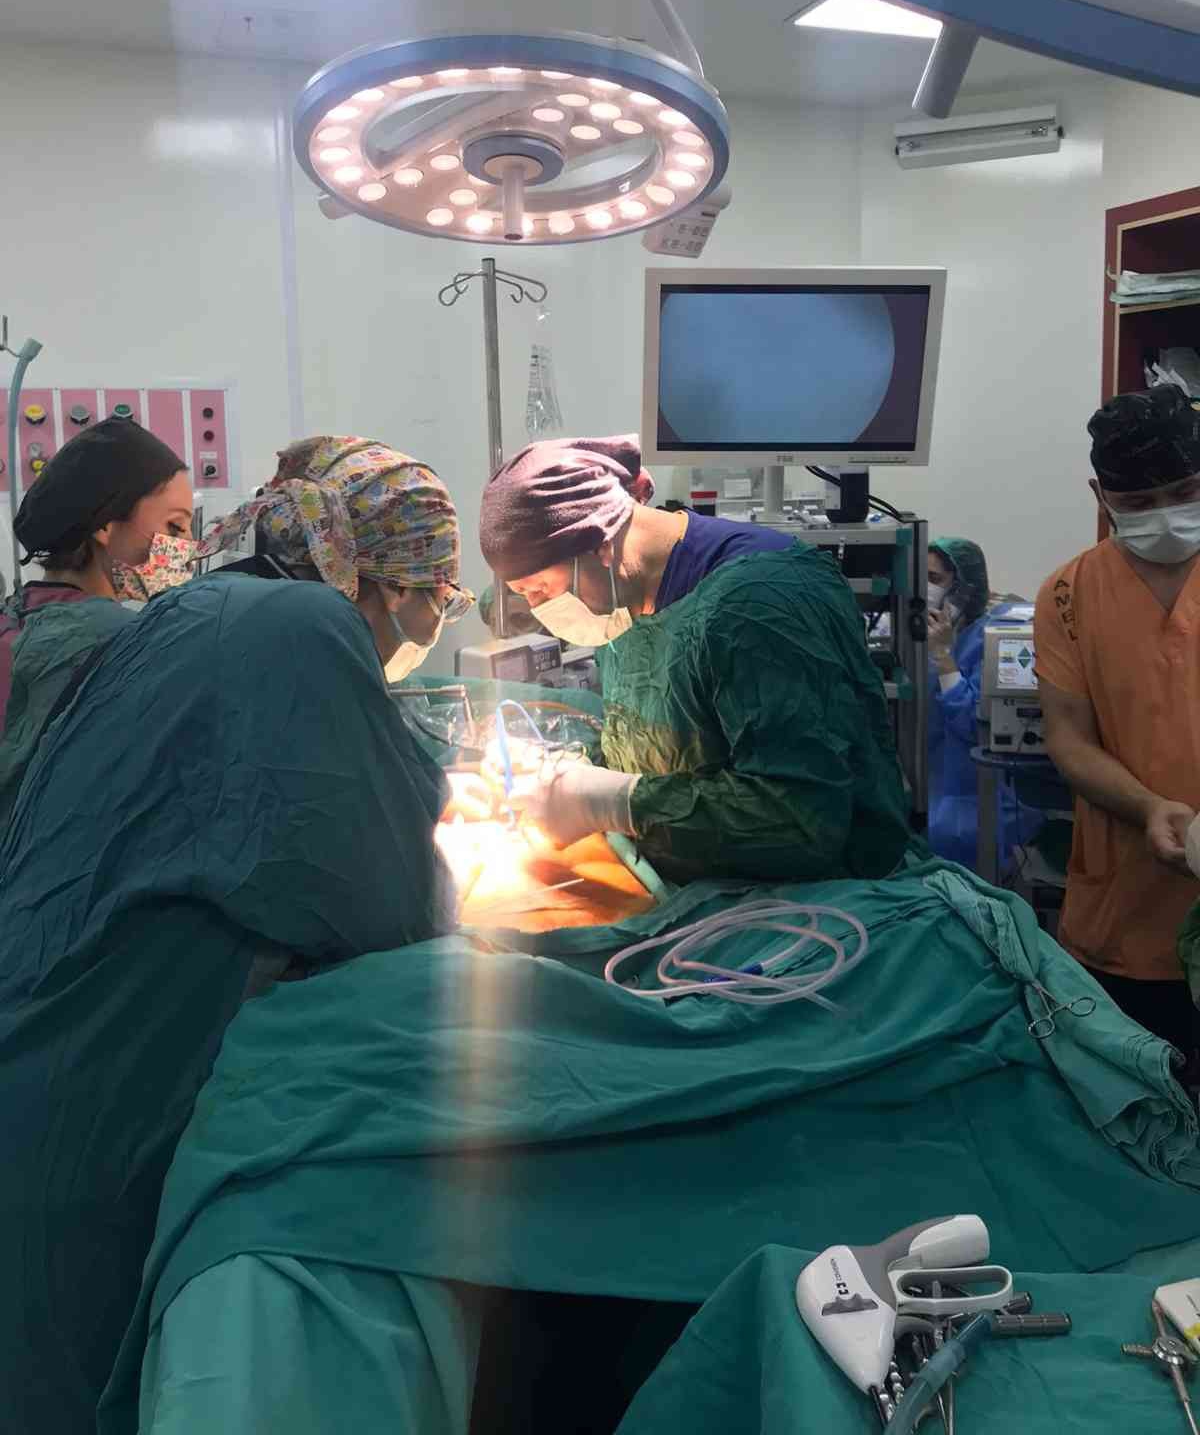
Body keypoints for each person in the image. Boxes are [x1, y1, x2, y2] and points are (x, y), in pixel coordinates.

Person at [0, 434, 471, 1435]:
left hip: (45, 1049)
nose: (436, 619)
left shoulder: (195, 613)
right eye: (439, 596)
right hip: (90, 1121)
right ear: (381, 582)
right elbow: (390, 908)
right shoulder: (302, 627)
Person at [478, 434, 911, 882]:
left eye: (539, 589)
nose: (541, 610)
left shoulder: (761, 606)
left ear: (599, 544)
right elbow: (658, 746)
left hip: (818, 897)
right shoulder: (621, 604)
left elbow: (802, 819)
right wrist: (560, 771)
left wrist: (613, 803)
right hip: (691, 880)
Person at [1035, 385, 1200, 1063]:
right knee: (1139, 1092)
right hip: (1123, 912)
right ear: (1100, 496)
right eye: (1136, 503)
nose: (1164, 517)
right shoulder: (1068, 595)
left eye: (1184, 493)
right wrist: (1149, 807)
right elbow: (1069, 738)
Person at [0, 417, 195, 823]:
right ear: (106, 526)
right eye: (174, 526)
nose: (189, 547)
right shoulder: (122, 644)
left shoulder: (20, 615)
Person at [926, 536, 1040, 873]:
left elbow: (978, 725)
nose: (925, 588)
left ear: (964, 588)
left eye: (934, 579)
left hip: (981, 800)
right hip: (938, 787)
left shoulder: (1002, 634)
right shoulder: (941, 629)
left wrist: (942, 656)